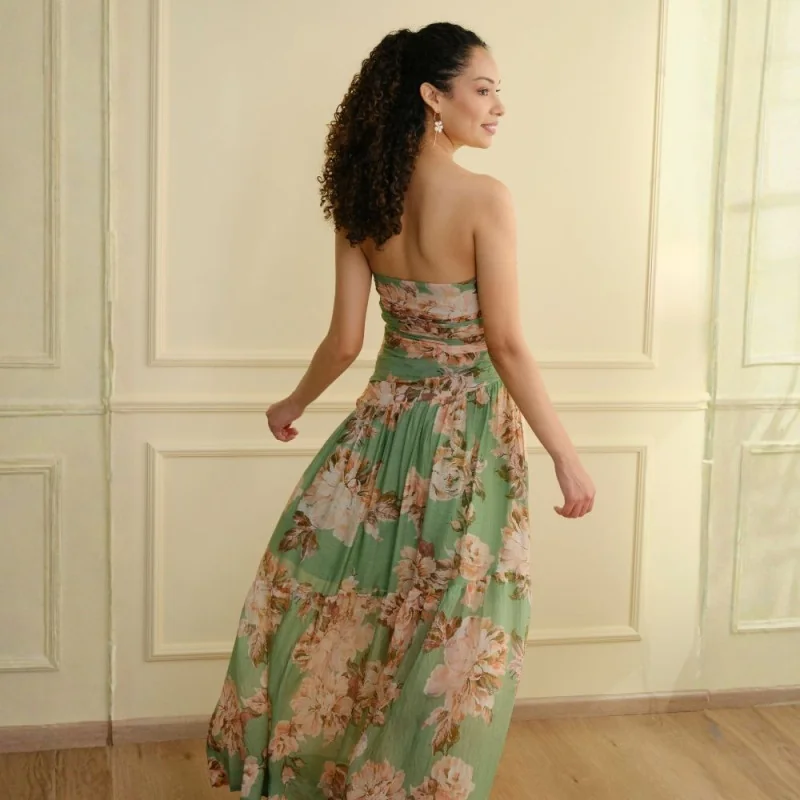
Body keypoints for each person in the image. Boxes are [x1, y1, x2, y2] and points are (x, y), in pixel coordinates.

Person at [206, 21, 595, 799]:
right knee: (452, 628)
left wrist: (293, 403)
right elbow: (505, 343)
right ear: (432, 97)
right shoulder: (485, 198)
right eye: (483, 89)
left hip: (381, 433)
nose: (498, 107)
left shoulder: (364, 199)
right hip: (466, 444)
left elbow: (345, 341)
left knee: (363, 615)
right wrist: (565, 452)